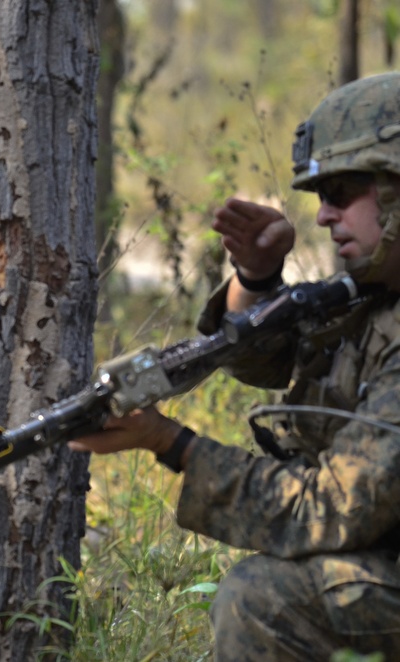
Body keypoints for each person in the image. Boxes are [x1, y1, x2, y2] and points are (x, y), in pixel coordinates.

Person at [70, 71, 400, 660]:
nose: (322, 216)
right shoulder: (379, 296)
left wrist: (171, 443)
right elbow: (278, 360)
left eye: (342, 191)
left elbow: (326, 510)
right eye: (318, 196)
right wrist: (257, 278)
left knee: (263, 600)